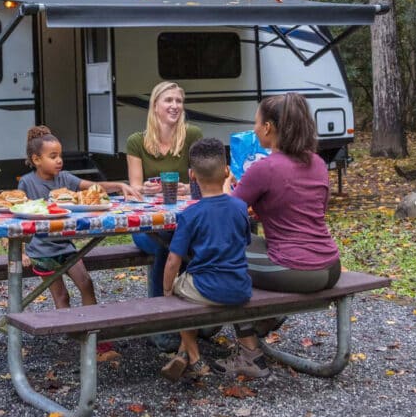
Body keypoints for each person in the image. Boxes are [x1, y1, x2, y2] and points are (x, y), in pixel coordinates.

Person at [226, 92, 341, 377]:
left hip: (295, 268)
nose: (254, 128)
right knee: (250, 246)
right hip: (330, 265)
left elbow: (226, 214)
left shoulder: (264, 168)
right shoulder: (317, 163)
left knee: (221, 259)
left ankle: (250, 353)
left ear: (268, 127)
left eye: (256, 122)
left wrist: (228, 186)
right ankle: (263, 319)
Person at [160, 138, 259, 382]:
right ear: (227, 171)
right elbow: (244, 242)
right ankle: (182, 354)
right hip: (240, 287)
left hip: (208, 288)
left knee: (178, 292)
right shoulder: (239, 207)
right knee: (188, 286)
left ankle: (193, 356)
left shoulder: (190, 214)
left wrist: (166, 290)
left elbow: (173, 259)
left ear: (192, 176)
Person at [18, 126, 139, 310]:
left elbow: (94, 187)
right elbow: (16, 218)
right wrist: (22, 251)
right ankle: (68, 334)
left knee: (86, 284)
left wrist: (119, 185)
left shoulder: (65, 178)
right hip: (41, 251)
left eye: (60, 156)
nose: (59, 161)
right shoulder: (27, 182)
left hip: (65, 246)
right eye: (53, 157)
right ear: (36, 160)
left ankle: (91, 332)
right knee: (62, 296)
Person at [124, 81, 203, 302]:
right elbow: (135, 187)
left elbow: (204, 181)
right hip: (148, 225)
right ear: (155, 105)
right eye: (168, 100)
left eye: (179, 101)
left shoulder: (193, 135)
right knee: (166, 245)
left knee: (186, 243)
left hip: (185, 221)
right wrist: (144, 188)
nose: (175, 105)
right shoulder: (136, 142)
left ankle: (192, 310)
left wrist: (186, 188)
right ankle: (161, 313)